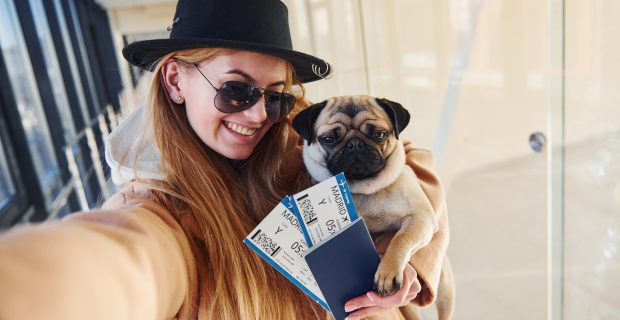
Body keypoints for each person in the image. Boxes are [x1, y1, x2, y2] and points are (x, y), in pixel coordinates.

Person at [0, 0, 450, 319]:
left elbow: (412, 160)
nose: (258, 115)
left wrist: (408, 256)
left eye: (275, 97)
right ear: (175, 80)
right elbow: (127, 259)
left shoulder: (293, 129)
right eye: (236, 90)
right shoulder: (160, 207)